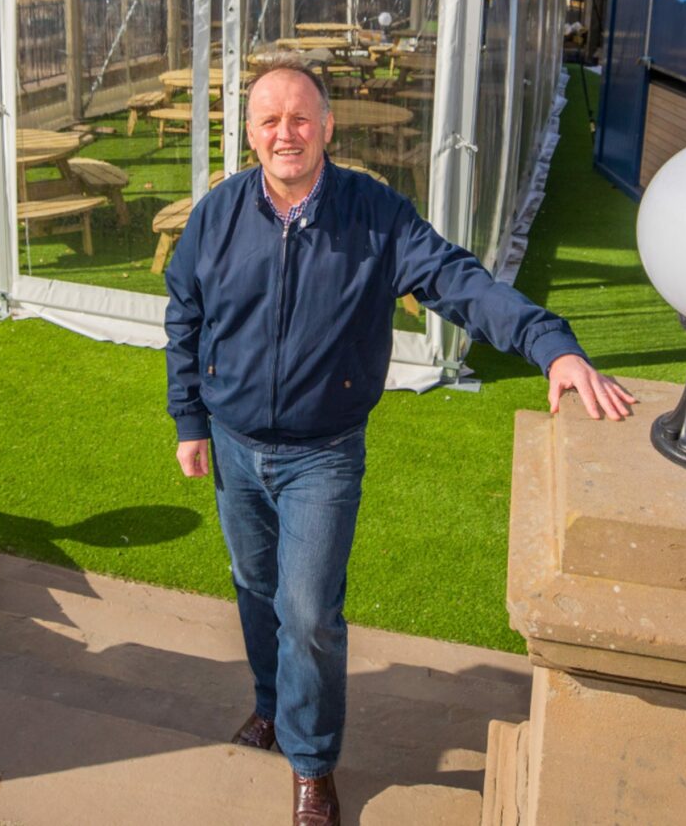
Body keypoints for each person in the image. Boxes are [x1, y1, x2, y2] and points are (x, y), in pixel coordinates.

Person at [165, 56, 636, 826]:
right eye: (269, 119)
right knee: (254, 588)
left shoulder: (375, 214)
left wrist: (551, 343)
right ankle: (268, 705)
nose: (286, 132)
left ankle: (311, 764)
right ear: (249, 133)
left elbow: (460, 281)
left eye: (301, 116)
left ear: (328, 125)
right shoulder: (217, 214)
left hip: (323, 453)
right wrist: (189, 419)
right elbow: (184, 312)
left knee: (309, 609)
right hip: (234, 442)